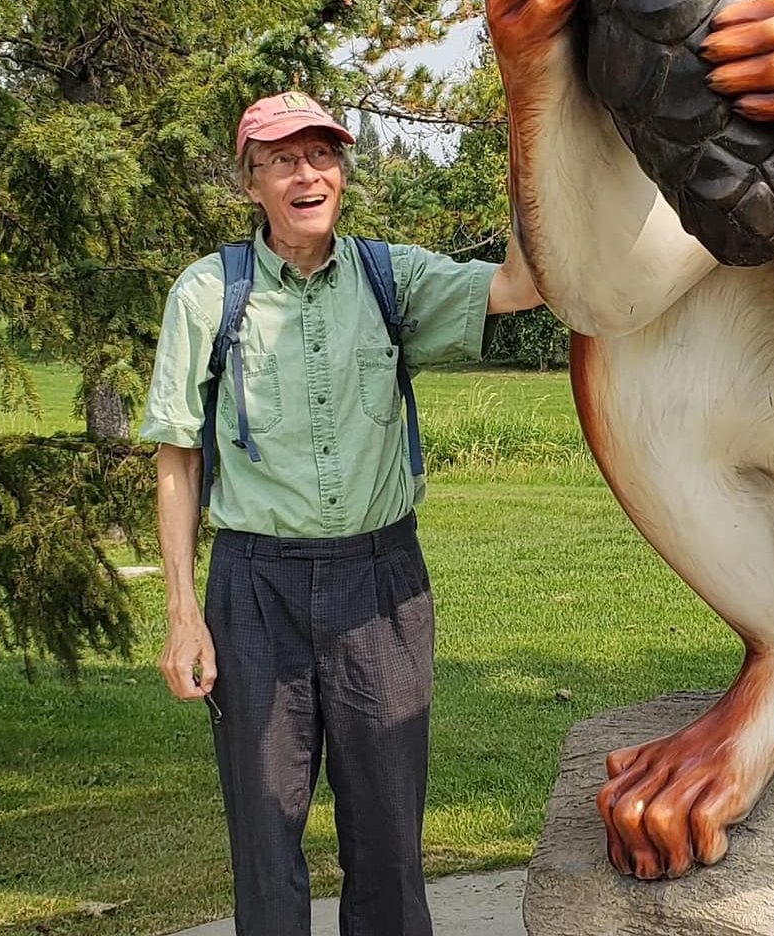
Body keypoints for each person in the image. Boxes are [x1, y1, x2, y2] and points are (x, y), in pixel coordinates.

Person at [142, 90, 543, 936]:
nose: (306, 174)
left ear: (343, 176)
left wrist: (534, 142)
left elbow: (521, 284)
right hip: (255, 592)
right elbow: (176, 457)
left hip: (381, 587)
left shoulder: (393, 277)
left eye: (321, 156)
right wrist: (184, 615)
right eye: (283, 159)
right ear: (251, 181)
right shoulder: (209, 293)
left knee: (392, 844)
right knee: (265, 838)